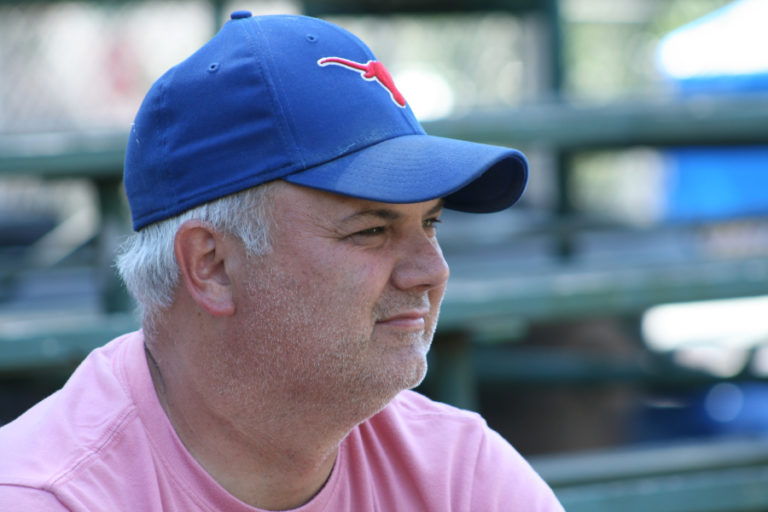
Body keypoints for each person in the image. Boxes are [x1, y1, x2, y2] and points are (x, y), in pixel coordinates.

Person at [0, 12, 563, 511]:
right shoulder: (46, 495)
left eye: (430, 223)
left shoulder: (460, 475)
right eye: (371, 230)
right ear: (212, 265)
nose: (432, 271)